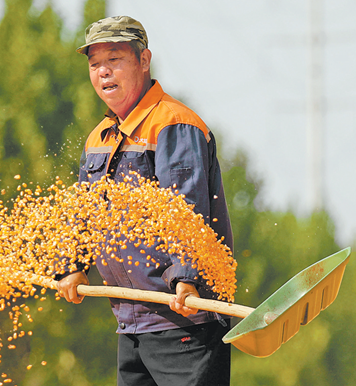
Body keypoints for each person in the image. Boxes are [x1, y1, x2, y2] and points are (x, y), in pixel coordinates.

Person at [56, 16, 234, 386]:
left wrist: (187, 278)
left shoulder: (174, 123)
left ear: (144, 60)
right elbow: (84, 211)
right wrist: (72, 265)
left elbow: (184, 209)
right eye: (94, 64)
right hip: (131, 322)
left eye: (114, 60)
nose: (103, 72)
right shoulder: (99, 138)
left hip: (185, 321)